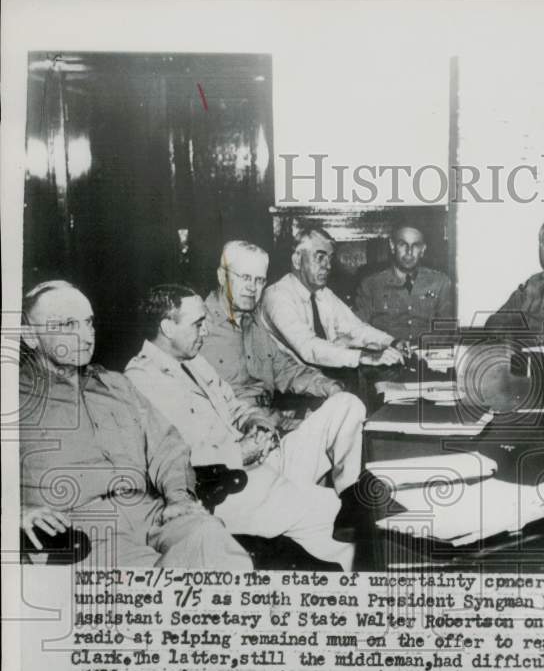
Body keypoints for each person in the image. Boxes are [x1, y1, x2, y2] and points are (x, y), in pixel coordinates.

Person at [125, 285, 363, 568]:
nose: (205, 332)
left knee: (346, 405)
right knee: (325, 509)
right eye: (198, 324)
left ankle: (348, 498)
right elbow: (174, 457)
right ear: (167, 327)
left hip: (257, 460)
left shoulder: (194, 361)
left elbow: (234, 404)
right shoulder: (143, 378)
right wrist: (239, 453)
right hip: (220, 486)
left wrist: (257, 423)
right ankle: (350, 577)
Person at [19, 281, 251, 568]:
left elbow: (167, 445)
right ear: (30, 335)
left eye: (88, 322)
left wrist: (179, 496)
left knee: (217, 546)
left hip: (150, 511)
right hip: (78, 530)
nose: (86, 335)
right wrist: (16, 511)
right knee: (162, 588)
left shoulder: (116, 385)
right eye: (67, 324)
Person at [201, 240, 346, 407]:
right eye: (245, 277)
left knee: (349, 408)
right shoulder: (198, 327)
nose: (252, 288)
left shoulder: (256, 323)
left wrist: (329, 386)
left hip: (272, 419)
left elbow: (285, 370)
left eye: (259, 280)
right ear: (221, 276)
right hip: (234, 427)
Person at [260, 226, 405, 370]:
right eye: (320, 257)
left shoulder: (322, 293)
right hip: (289, 386)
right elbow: (309, 347)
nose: (328, 266)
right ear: (297, 260)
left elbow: (356, 328)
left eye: (330, 259)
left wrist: (391, 342)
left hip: (322, 378)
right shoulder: (277, 296)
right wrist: (363, 357)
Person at [353, 223, 455, 345]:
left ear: (423, 249)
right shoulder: (371, 284)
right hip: (386, 356)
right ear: (392, 246)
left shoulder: (440, 282)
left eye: (415, 246)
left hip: (426, 355)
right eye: (403, 244)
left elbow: (446, 329)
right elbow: (357, 328)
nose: (409, 252)